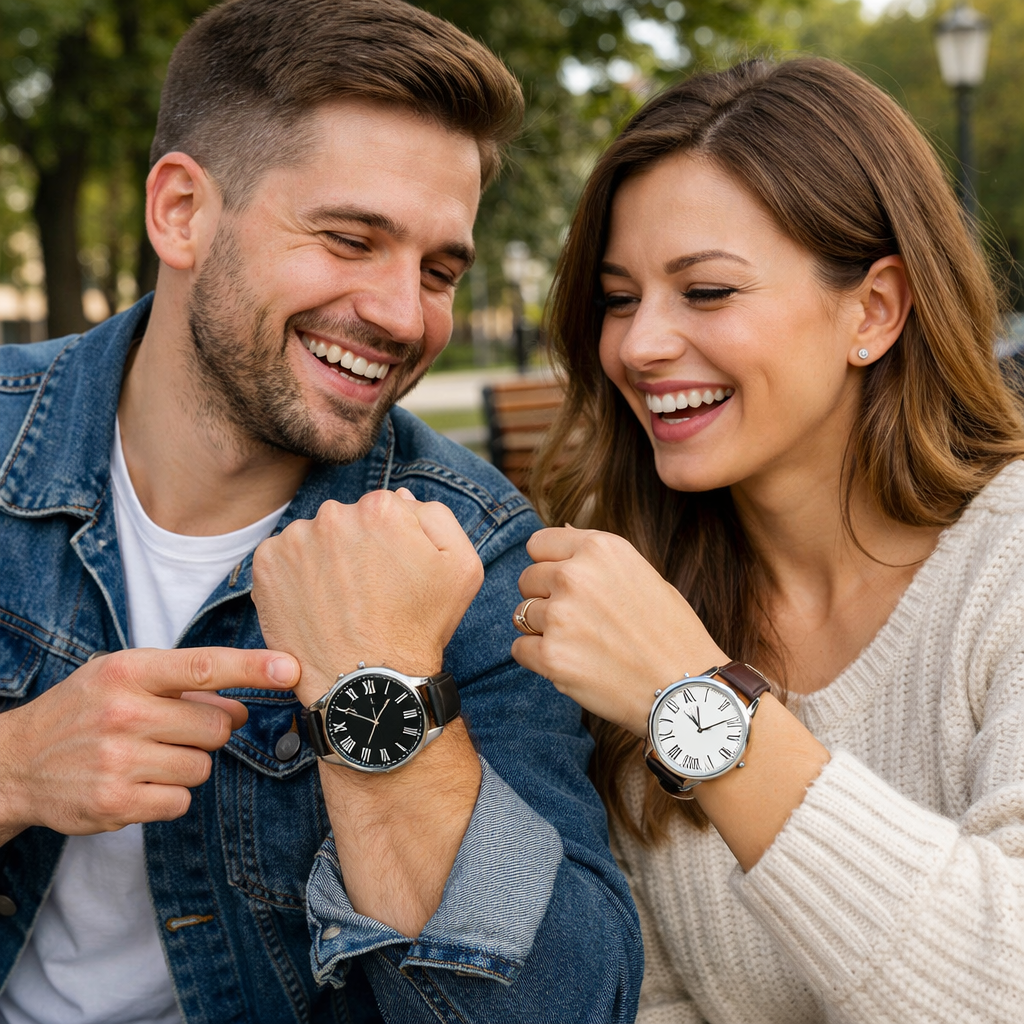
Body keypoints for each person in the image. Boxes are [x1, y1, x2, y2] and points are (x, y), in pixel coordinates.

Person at [0, 1, 642, 1022]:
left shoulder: (474, 552)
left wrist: (379, 692)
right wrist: (15, 771)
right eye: (351, 239)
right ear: (179, 212)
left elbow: (563, 1001)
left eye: (439, 269)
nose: (401, 314)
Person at [512, 56, 1024, 1024]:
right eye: (618, 298)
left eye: (704, 292)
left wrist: (692, 702)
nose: (638, 344)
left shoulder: (1007, 567)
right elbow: (645, 996)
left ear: (873, 310)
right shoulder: (629, 594)